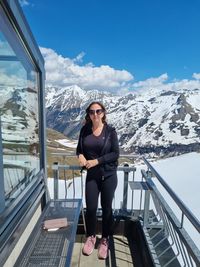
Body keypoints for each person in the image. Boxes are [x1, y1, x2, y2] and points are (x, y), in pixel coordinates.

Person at [76, 101, 119, 259]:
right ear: (88, 114)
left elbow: (115, 154)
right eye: (92, 112)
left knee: (107, 208)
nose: (95, 114)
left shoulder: (110, 131)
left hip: (108, 175)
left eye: (98, 111)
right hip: (92, 176)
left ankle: (105, 239)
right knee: (91, 208)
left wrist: (97, 161)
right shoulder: (84, 130)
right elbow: (79, 148)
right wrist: (80, 155)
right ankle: (91, 236)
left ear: (103, 113)